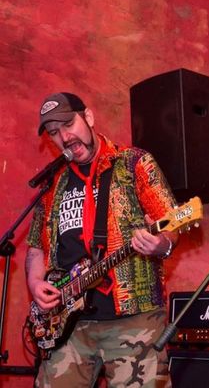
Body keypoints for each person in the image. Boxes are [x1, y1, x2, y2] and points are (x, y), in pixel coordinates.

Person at [26, 92, 179, 387]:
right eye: (54, 132)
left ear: (89, 117)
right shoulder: (52, 184)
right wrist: (35, 284)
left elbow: (171, 223)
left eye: (69, 124)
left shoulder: (134, 163)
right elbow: (35, 246)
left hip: (134, 318)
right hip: (68, 326)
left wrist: (162, 244)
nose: (65, 137)